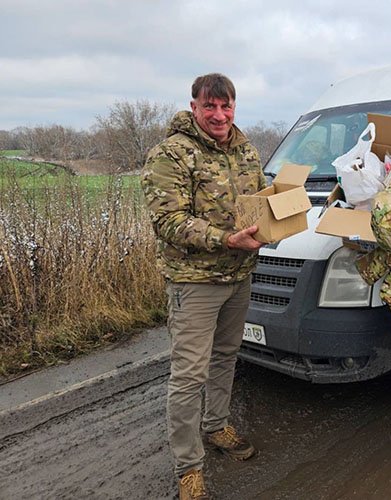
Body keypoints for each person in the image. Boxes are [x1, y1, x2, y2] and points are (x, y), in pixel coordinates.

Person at [141, 73, 266, 500]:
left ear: (234, 106)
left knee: (226, 357)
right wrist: (225, 239)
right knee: (189, 374)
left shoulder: (246, 149)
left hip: (238, 276)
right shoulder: (171, 154)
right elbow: (168, 221)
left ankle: (216, 427)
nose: (219, 115)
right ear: (193, 106)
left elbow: (260, 202)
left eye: (226, 106)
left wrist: (274, 225)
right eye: (209, 106)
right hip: (194, 282)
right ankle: (188, 466)